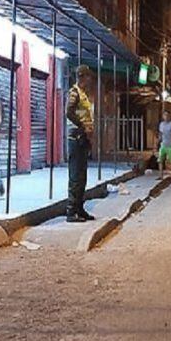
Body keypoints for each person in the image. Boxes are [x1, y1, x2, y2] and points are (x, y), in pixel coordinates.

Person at [66, 65, 97, 223]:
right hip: (76, 137)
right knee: (75, 176)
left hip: (83, 138)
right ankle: (71, 211)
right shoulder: (74, 93)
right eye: (88, 77)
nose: (90, 80)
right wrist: (83, 126)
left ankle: (79, 208)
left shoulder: (83, 94)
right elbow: (69, 112)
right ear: (82, 77)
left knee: (82, 175)